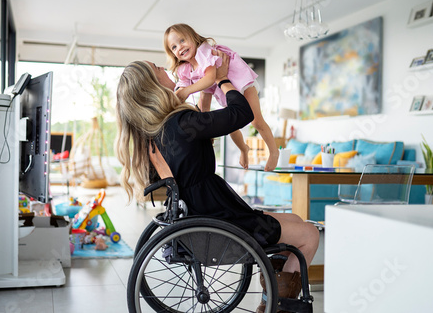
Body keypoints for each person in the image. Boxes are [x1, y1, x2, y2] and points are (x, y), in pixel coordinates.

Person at [115, 52, 319, 313]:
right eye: (158, 68)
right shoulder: (180, 122)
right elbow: (241, 112)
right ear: (153, 86)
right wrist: (223, 79)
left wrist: (205, 90)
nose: (166, 69)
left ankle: (274, 283)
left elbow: (204, 123)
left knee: (296, 221)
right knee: (310, 233)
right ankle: (278, 303)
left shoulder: (157, 131)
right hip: (219, 216)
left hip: (205, 211)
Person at [163, 23, 279, 171]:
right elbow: (182, 86)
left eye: (182, 41)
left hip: (241, 83)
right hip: (224, 91)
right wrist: (176, 96)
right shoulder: (184, 68)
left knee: (256, 121)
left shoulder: (203, 51)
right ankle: (243, 149)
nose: (179, 47)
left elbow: (210, 78)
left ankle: (274, 152)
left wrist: (187, 92)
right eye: (173, 47)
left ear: (193, 37)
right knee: (230, 125)